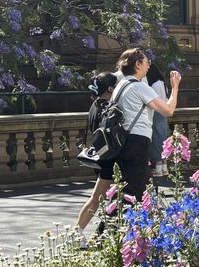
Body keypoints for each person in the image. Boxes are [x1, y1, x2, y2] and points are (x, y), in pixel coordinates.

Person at [110, 48, 182, 201]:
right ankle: (116, 222)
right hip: (137, 142)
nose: (149, 66)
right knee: (140, 188)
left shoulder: (120, 85)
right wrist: (175, 87)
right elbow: (168, 110)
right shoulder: (139, 86)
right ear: (137, 64)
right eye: (147, 62)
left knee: (128, 186)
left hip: (123, 141)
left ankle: (113, 221)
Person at [75, 72, 120, 241]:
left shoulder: (95, 105)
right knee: (97, 198)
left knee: (107, 198)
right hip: (107, 158)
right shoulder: (106, 107)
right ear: (110, 88)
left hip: (101, 156)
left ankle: (99, 233)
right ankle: (77, 232)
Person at [145, 60, 171, 178]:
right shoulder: (161, 83)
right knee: (160, 138)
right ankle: (162, 167)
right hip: (161, 112)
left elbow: (157, 100)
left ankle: (159, 167)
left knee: (157, 139)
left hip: (157, 112)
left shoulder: (156, 84)